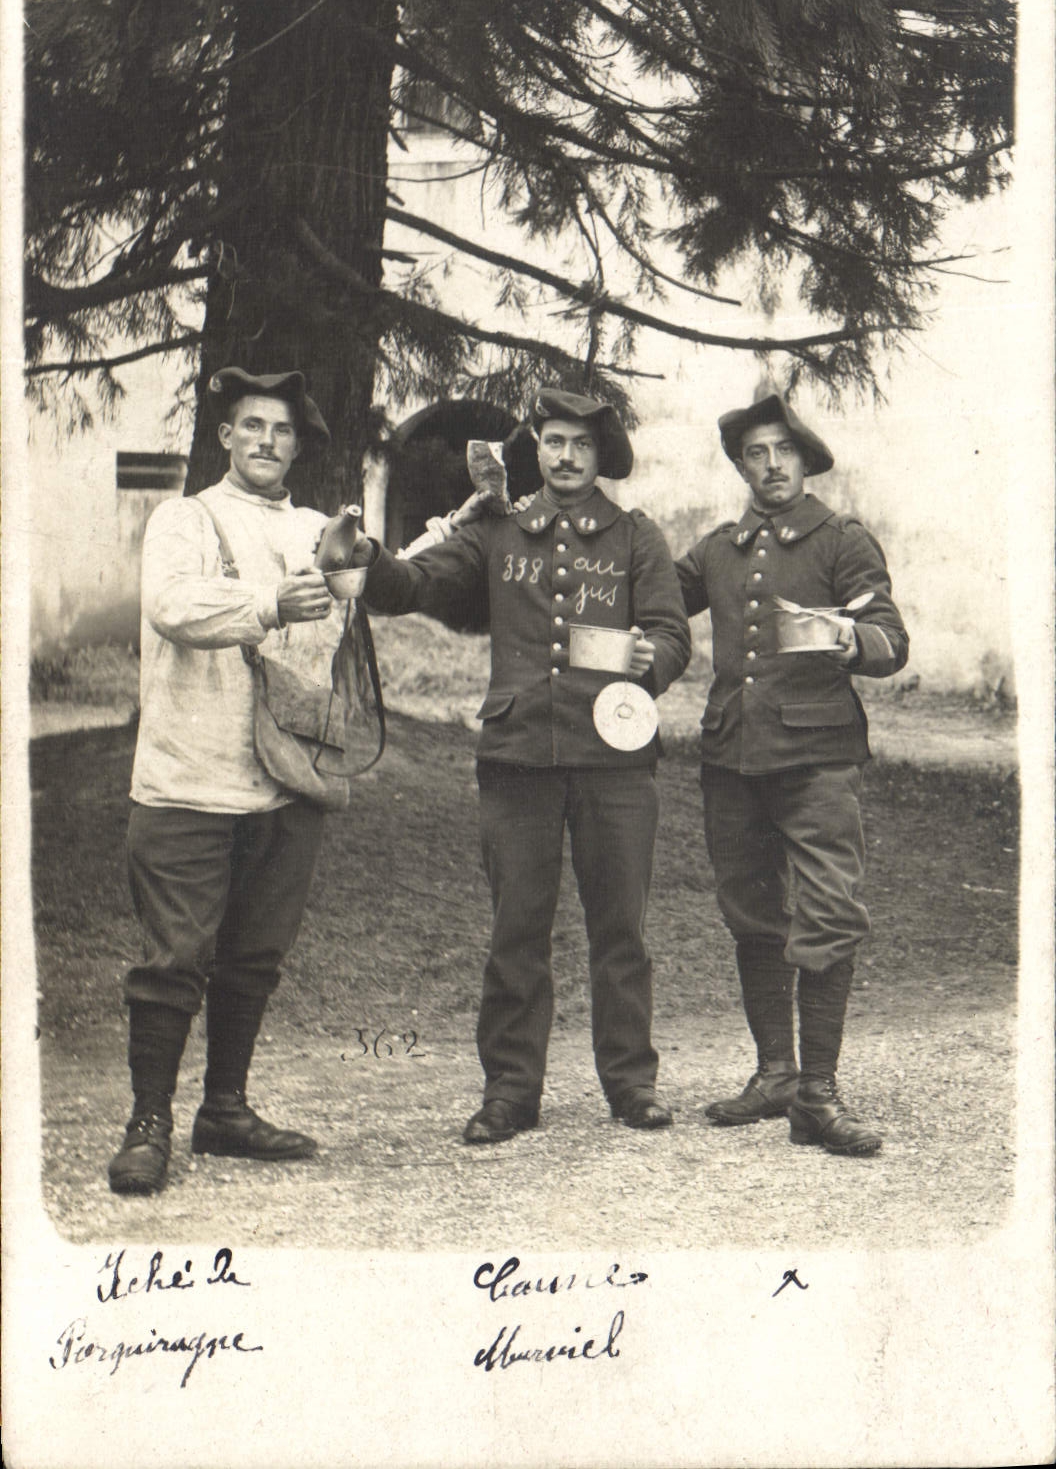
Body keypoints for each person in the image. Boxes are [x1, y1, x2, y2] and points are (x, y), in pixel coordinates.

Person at [351, 389, 692, 1143]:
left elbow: (673, 633)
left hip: (616, 763)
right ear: (534, 449)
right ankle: (510, 1089)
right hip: (517, 759)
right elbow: (416, 583)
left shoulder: (637, 537)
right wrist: (369, 559)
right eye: (552, 441)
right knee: (516, 928)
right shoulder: (497, 534)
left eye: (580, 443)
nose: (565, 456)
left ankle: (632, 1083)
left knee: (621, 929)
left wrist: (652, 657)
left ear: (602, 456)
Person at [108, 366, 344, 1196]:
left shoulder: (317, 527)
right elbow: (173, 606)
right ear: (226, 436)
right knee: (174, 959)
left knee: (253, 958)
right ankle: (149, 1124)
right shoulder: (184, 517)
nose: (267, 443)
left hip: (285, 779)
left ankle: (225, 1110)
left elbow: (358, 605)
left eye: (282, 432)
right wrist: (274, 602)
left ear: (297, 445)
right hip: (188, 779)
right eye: (253, 427)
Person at [675, 392, 909, 1156]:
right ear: (741, 464)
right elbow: (652, 599)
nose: (770, 465)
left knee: (830, 912)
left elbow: (890, 635)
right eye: (755, 453)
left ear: (805, 459)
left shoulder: (841, 539)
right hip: (731, 760)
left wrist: (852, 639)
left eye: (783, 451)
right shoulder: (717, 548)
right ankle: (775, 1072)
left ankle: (817, 1092)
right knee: (751, 914)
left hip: (817, 761)